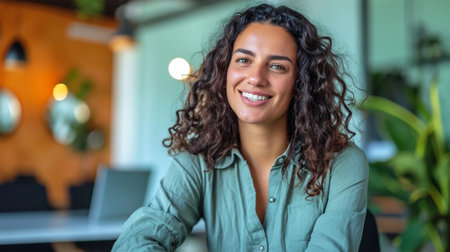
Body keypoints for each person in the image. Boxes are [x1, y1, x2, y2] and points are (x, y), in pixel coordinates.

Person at [113, 3, 368, 251]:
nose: (256, 78)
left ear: (301, 83)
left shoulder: (341, 164)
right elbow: (137, 240)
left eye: (277, 66)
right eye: (244, 60)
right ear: (225, 71)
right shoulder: (198, 162)